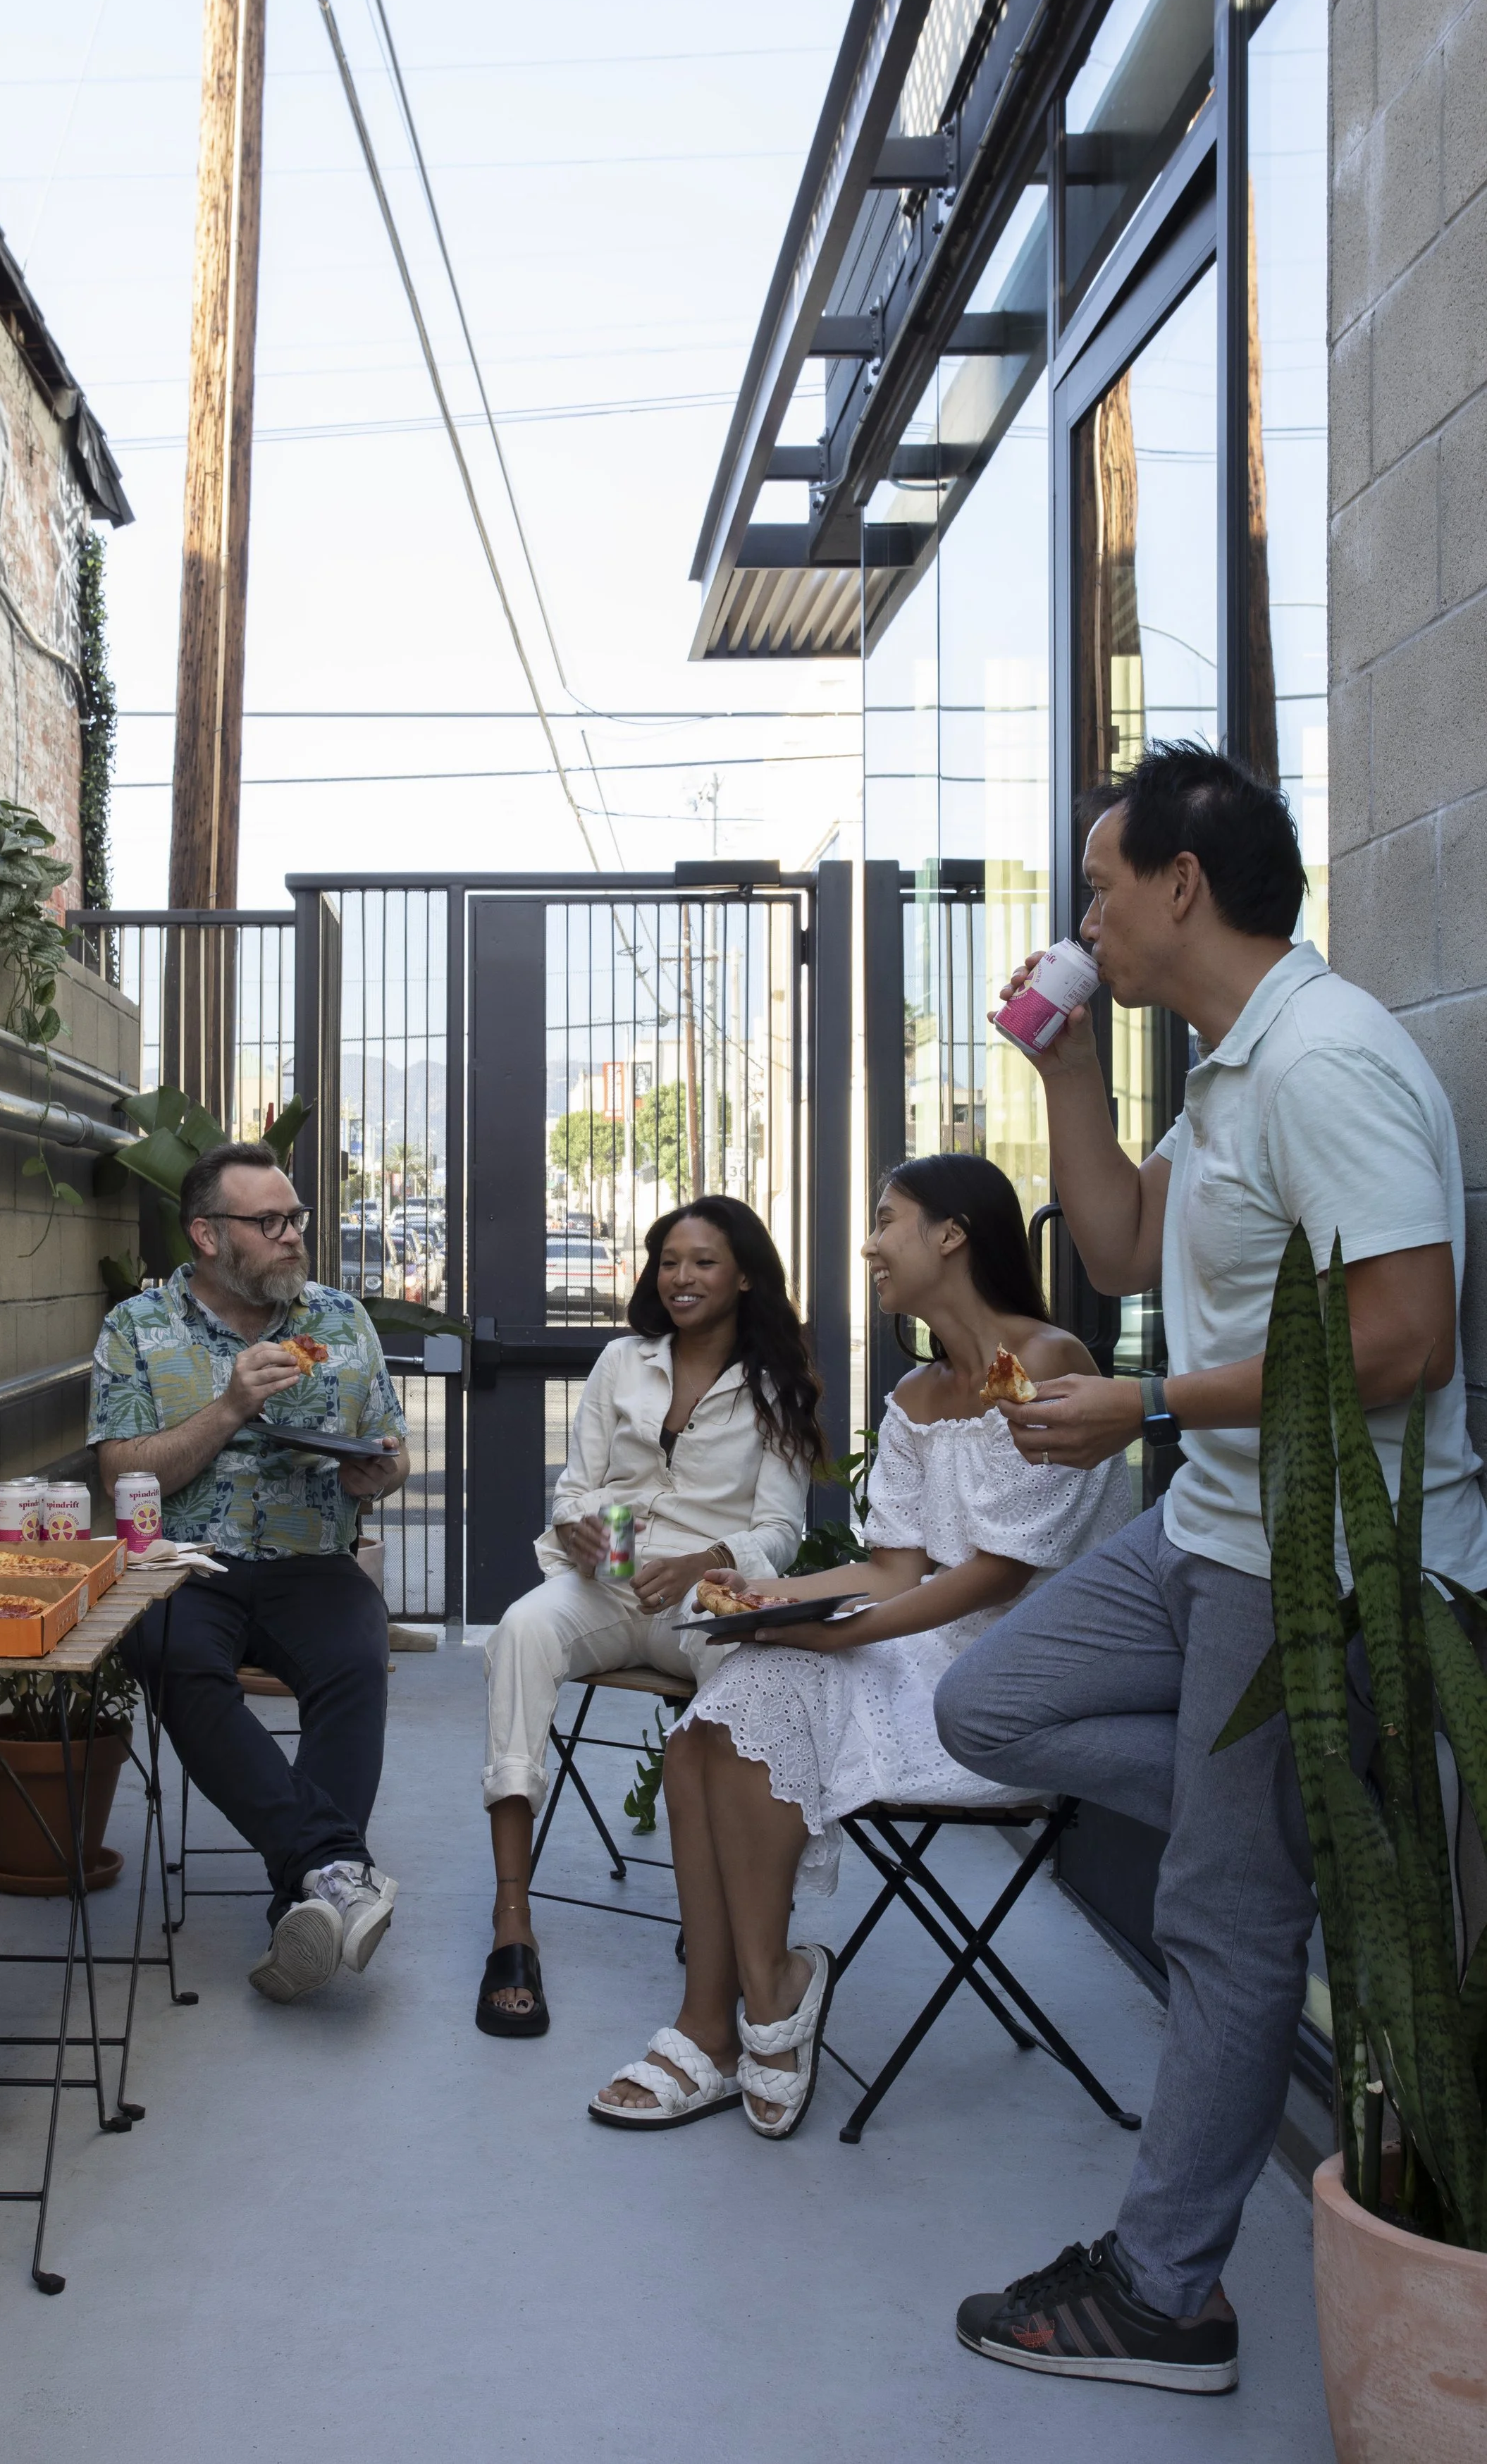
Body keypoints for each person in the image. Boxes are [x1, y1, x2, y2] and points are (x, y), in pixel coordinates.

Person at [932, 740, 1487, 2397]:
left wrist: (1147, 1400)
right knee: (989, 1704)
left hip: (1309, 1567)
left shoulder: (1326, 1063)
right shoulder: (1231, 1065)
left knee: (1222, 1919)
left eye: (1105, 883)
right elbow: (1114, 1248)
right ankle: (1293, 1827)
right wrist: (1060, 1068)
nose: (1088, 911)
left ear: (1185, 881)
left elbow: (1404, 1335)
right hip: (1205, 1527)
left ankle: (1167, 2290)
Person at [588, 1154, 1128, 2136]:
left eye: (887, 1220)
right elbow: (890, 1567)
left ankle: (758, 2003)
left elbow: (996, 1578)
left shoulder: (1051, 1365)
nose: (871, 1242)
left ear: (952, 1233)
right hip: (900, 1645)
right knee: (702, 1730)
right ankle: (730, 2013)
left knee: (757, 1698)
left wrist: (829, 1634)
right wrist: (773, 1593)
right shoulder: (922, 1393)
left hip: (1010, 1681)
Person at [478, 1197, 821, 2038]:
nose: (682, 1277)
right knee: (519, 1629)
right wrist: (582, 1529)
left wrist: (706, 1563)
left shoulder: (776, 1380)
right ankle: (511, 1922)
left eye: (703, 1261)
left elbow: (782, 1530)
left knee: (745, 1680)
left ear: (743, 1275)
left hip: (700, 1602)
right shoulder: (621, 1361)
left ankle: (730, 1925)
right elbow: (571, 1488)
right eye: (669, 1261)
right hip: (610, 1582)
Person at [92, 1141, 410, 2004]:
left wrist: (379, 1472)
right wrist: (231, 1405)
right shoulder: (138, 1329)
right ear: (206, 1234)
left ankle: (302, 1897)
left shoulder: (342, 1320)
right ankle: (334, 1868)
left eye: (295, 1218)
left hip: (314, 1560)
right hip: (185, 1562)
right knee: (168, 1654)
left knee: (354, 1660)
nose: (292, 1237)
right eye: (268, 1223)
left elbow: (388, 1443)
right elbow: (124, 1471)